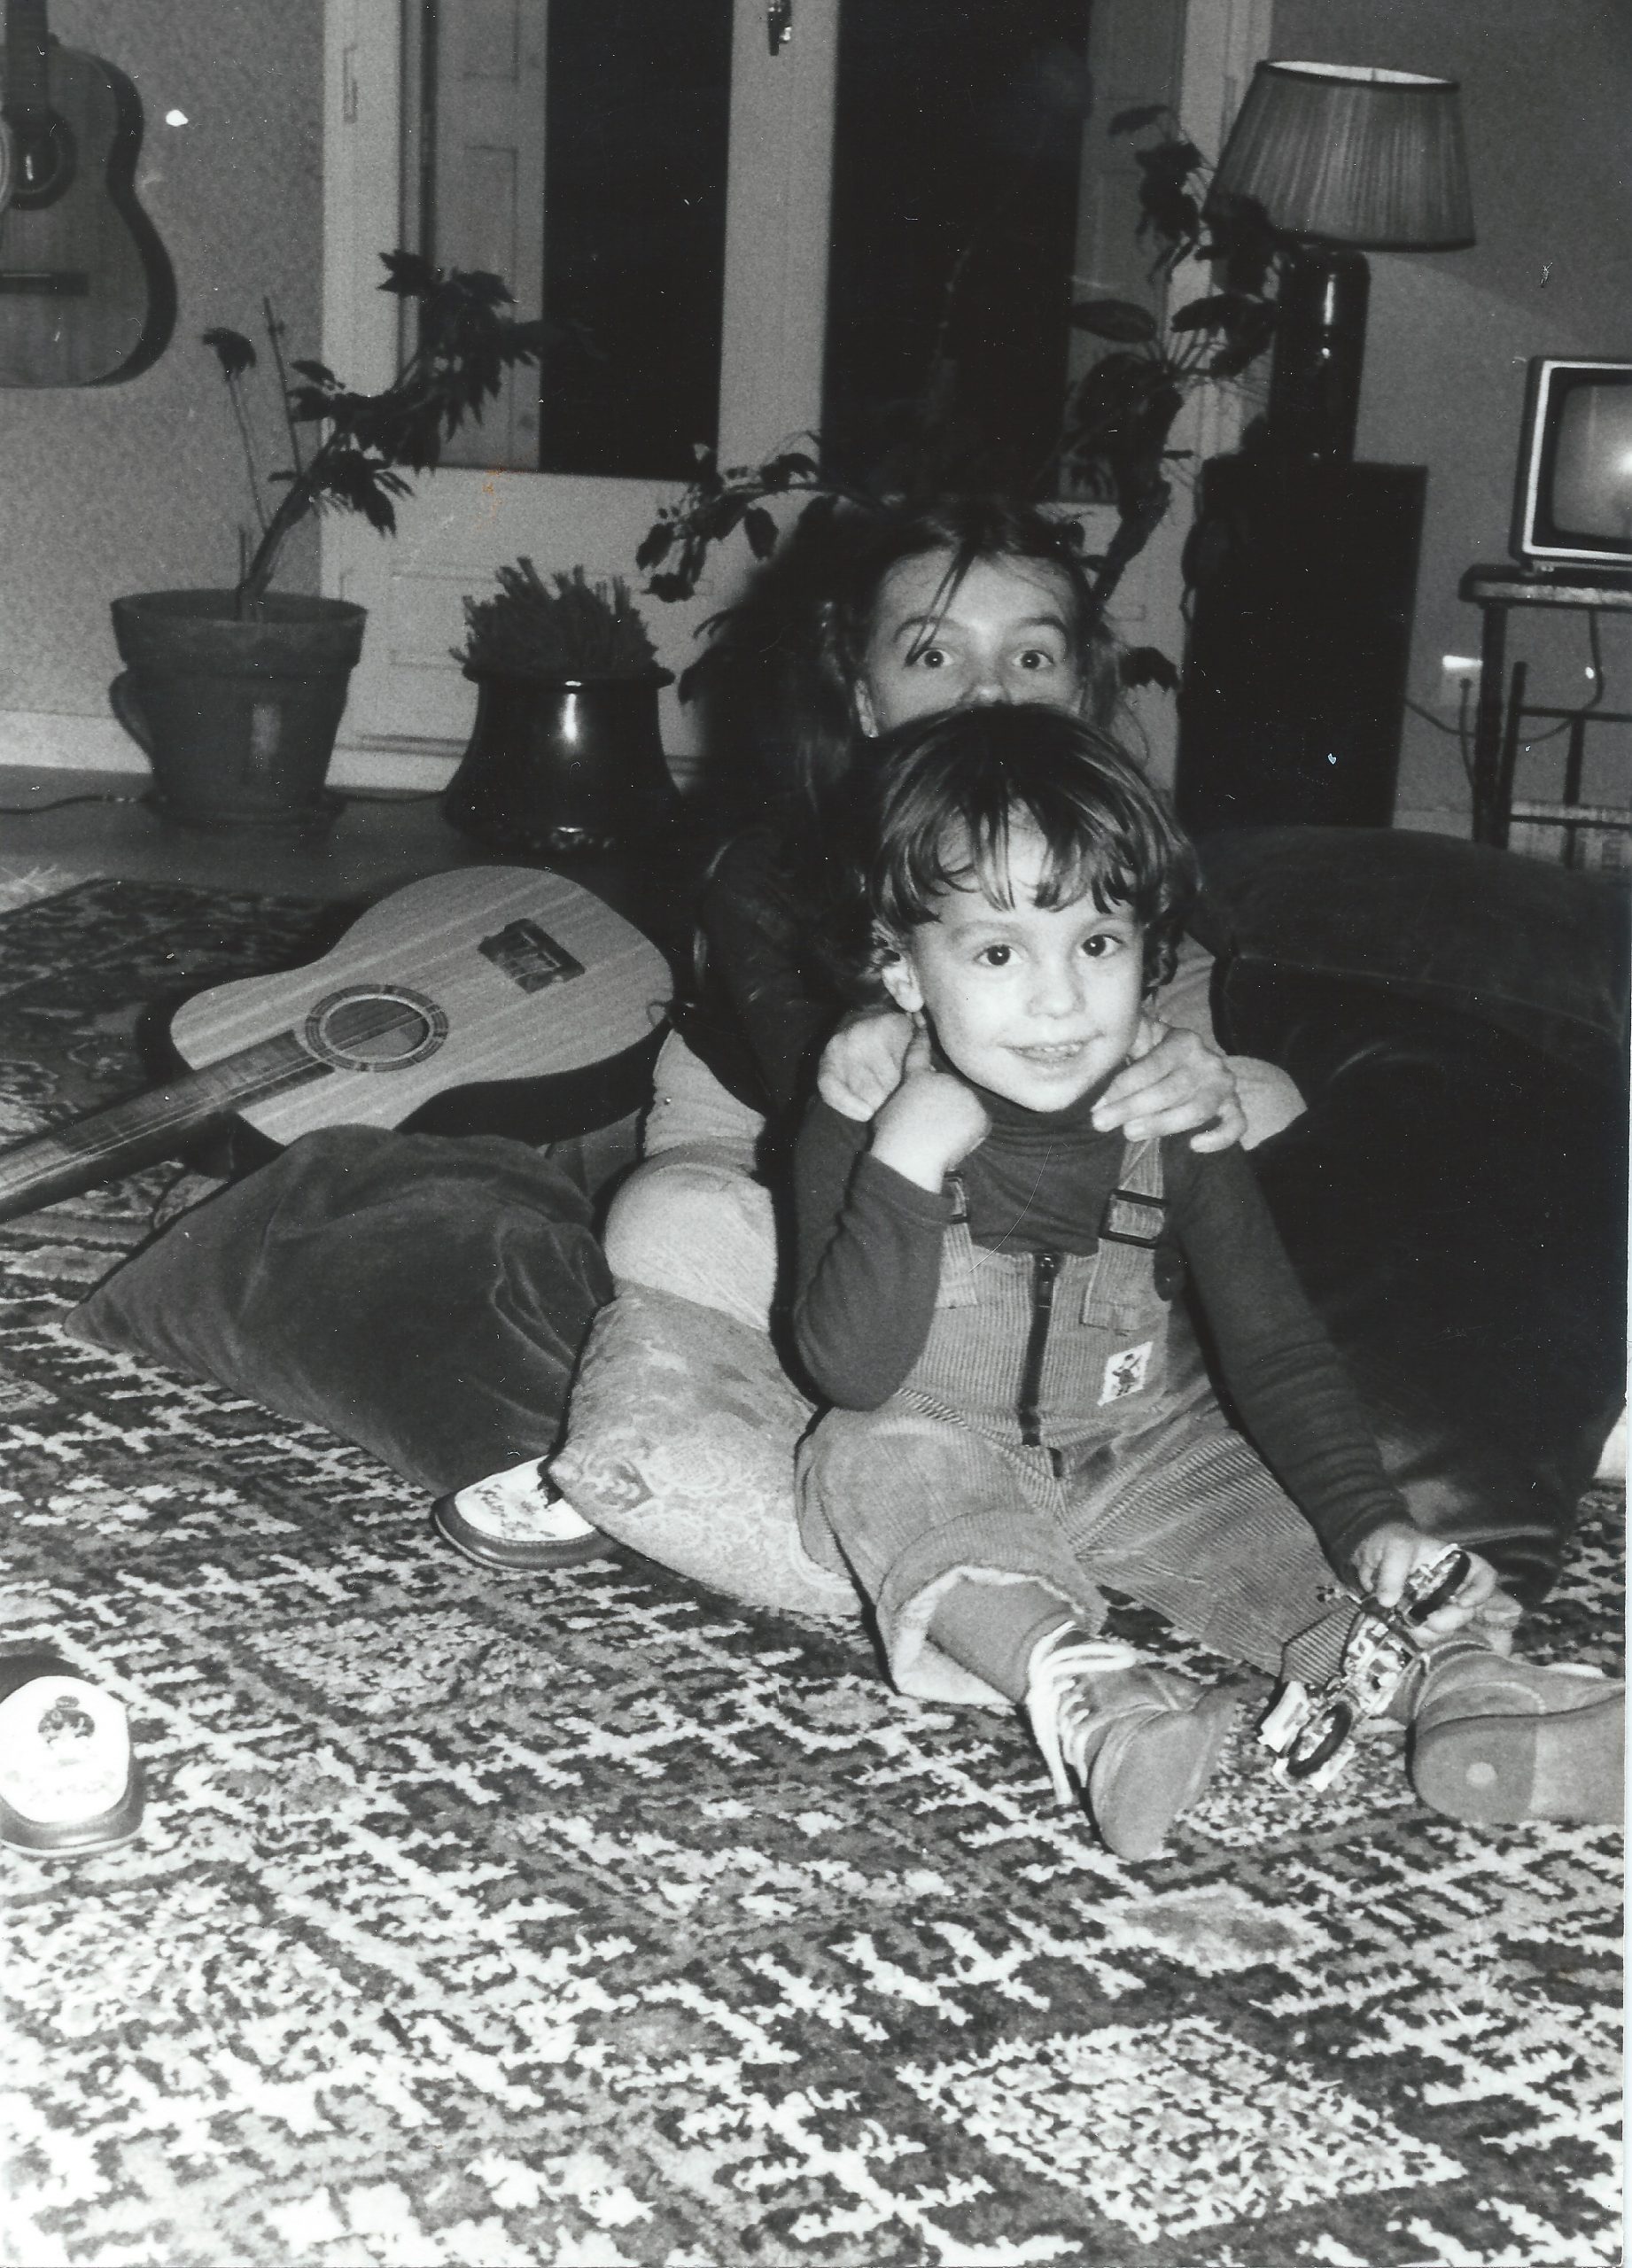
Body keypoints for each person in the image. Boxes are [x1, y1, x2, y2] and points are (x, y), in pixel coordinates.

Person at [789, 703, 1623, 1859]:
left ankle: (1469, 1693)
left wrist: (1370, 1517)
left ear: (1147, 947)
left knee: (1302, 1544)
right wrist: (900, 1170)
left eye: (1097, 943)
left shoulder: (1173, 1111)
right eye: (997, 953)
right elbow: (845, 1369)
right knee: (863, 1459)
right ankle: (1091, 1694)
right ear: (901, 965)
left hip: (1145, 1445)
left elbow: (1273, 1343)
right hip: (939, 1441)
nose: (1059, 1000)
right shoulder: (860, 1107)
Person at [442, 495, 1301, 1568]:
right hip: (801, 1164)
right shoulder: (771, 866)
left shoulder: (1112, 849)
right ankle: (752, 1437)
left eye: (1032, 658)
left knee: (1267, 1103)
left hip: (1043, 1210)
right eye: (935, 655)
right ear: (862, 695)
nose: (987, 692)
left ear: (1082, 693)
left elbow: (1183, 1013)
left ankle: (1036, 1422)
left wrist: (1188, 1069)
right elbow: (839, 1101)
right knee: (667, 1221)